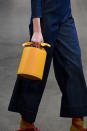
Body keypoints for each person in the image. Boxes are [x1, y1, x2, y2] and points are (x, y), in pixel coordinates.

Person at [8, 0, 87, 130]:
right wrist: (37, 29)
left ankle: (78, 123)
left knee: (73, 66)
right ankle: (26, 124)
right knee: (37, 69)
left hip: (65, 15)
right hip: (45, 17)